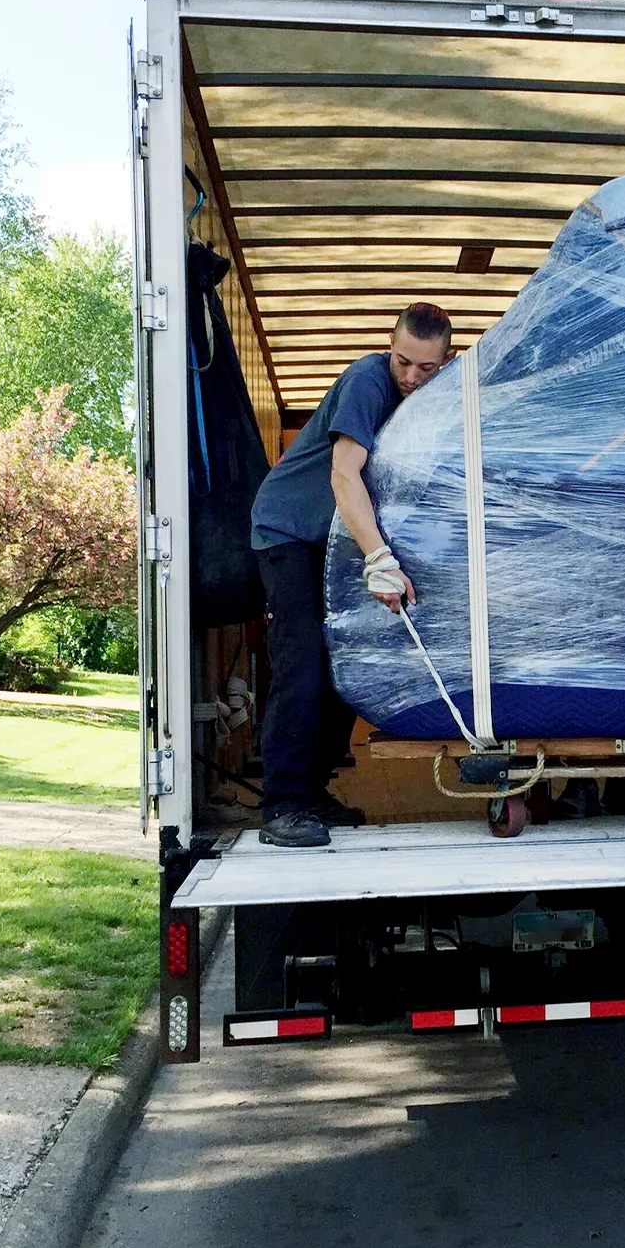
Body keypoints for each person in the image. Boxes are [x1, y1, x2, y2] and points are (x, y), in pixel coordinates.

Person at [249, 303, 453, 848]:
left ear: (445, 361)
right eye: (402, 361)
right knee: (305, 662)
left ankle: (312, 793)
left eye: (425, 368)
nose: (410, 377)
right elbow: (345, 473)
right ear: (390, 348)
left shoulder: (440, 394)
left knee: (348, 659)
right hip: (292, 529)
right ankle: (284, 805)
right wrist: (380, 559)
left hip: (338, 538)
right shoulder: (367, 381)